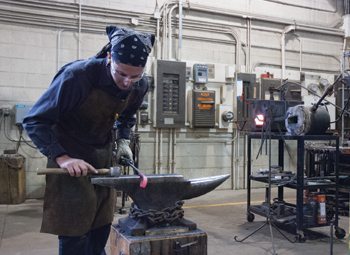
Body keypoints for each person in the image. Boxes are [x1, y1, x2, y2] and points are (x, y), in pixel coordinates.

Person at [23, 25, 155, 255]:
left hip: (102, 157)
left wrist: (123, 141)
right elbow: (35, 121)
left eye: (135, 76)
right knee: (75, 232)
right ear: (109, 57)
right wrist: (63, 158)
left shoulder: (140, 85)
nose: (127, 82)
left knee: (100, 226)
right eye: (121, 73)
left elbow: (126, 116)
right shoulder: (77, 76)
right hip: (68, 156)